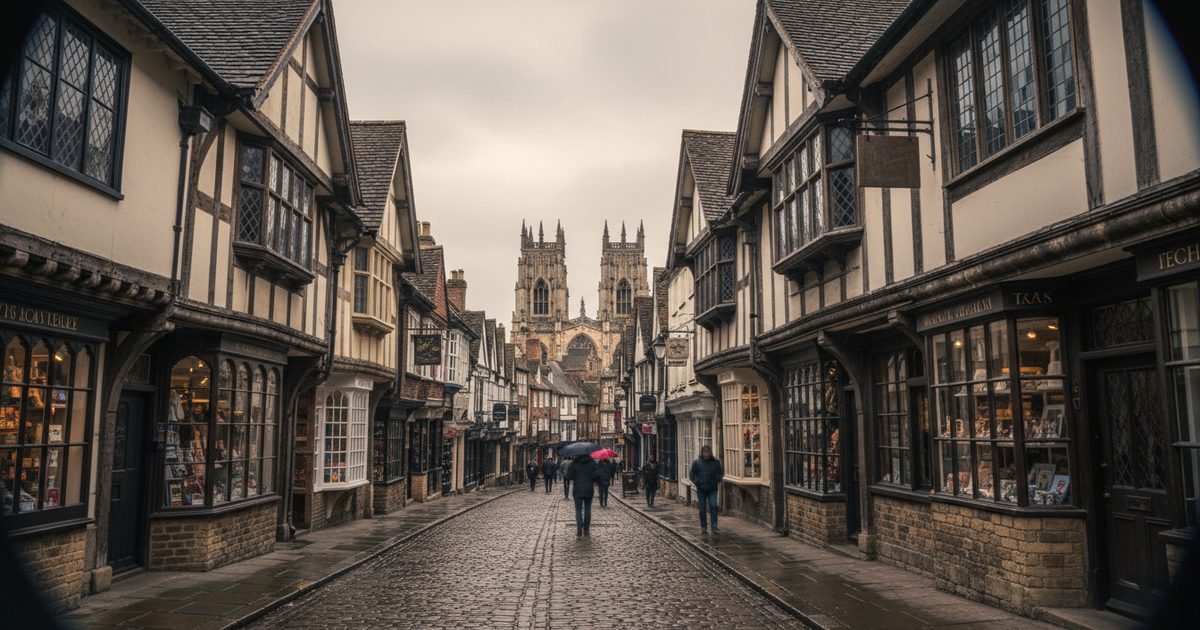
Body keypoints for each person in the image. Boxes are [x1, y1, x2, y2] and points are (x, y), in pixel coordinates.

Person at [688, 445, 723, 533]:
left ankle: (714, 526)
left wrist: (716, 481)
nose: (706, 454)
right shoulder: (697, 463)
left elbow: (720, 474)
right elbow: (692, 475)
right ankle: (703, 527)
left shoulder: (716, 463)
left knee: (713, 506)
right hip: (701, 489)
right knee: (702, 508)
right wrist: (697, 482)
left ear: (710, 453)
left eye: (708, 452)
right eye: (704, 452)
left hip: (712, 488)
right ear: (702, 453)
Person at [566, 454, 598, 536]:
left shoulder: (574, 463)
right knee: (587, 509)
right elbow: (596, 475)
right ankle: (586, 530)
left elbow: (568, 476)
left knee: (578, 510)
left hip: (577, 489)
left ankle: (579, 529)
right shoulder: (592, 463)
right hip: (589, 489)